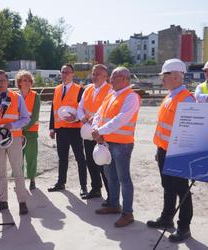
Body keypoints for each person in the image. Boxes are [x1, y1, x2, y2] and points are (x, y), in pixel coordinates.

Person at [147, 59, 195, 242]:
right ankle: (167, 218)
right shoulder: (171, 96)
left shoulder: (187, 98)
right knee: (167, 186)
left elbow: (192, 131)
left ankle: (184, 227)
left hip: (178, 153)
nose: (162, 79)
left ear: (175, 76)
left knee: (182, 190)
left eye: (164, 76)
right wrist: (159, 150)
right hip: (164, 150)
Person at [92, 66, 141, 228]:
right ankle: (114, 204)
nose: (110, 80)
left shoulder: (131, 97)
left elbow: (121, 119)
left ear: (125, 80)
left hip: (122, 144)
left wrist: (100, 130)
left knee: (123, 178)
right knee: (111, 176)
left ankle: (128, 213)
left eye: (114, 77)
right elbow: (99, 114)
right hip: (107, 142)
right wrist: (95, 128)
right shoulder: (112, 94)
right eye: (111, 77)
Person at [0, 70, 30, 215]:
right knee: (0, 172)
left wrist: (12, 125)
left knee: (17, 171)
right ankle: (3, 201)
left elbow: (26, 118)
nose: (0, 84)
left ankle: (22, 202)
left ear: (7, 81)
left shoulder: (17, 98)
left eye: (2, 81)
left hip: (14, 139)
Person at [48, 64, 87, 196]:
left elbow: (83, 110)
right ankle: (61, 183)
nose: (65, 74)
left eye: (67, 72)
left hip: (74, 129)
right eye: (63, 72)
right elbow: (53, 109)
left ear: (73, 74)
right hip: (60, 130)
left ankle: (83, 186)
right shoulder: (57, 89)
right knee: (62, 158)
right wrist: (52, 127)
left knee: (80, 158)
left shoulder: (79, 90)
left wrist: (76, 118)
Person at [77, 64, 112, 201]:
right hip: (87, 131)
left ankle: (111, 195)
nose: (95, 76)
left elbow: (108, 111)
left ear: (105, 77)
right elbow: (80, 107)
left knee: (103, 163)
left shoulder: (110, 91)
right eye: (93, 73)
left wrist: (95, 120)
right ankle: (96, 188)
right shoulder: (88, 89)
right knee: (90, 161)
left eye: (98, 74)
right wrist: (82, 118)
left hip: (101, 133)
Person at [16, 70, 40, 190]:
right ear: (19, 82)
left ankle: (32, 179)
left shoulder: (36, 96)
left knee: (31, 157)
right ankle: (19, 180)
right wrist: (18, 130)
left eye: (29, 80)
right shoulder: (14, 96)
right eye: (24, 80)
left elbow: (34, 116)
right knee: (18, 158)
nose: (26, 82)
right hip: (16, 133)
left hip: (31, 132)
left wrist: (23, 129)